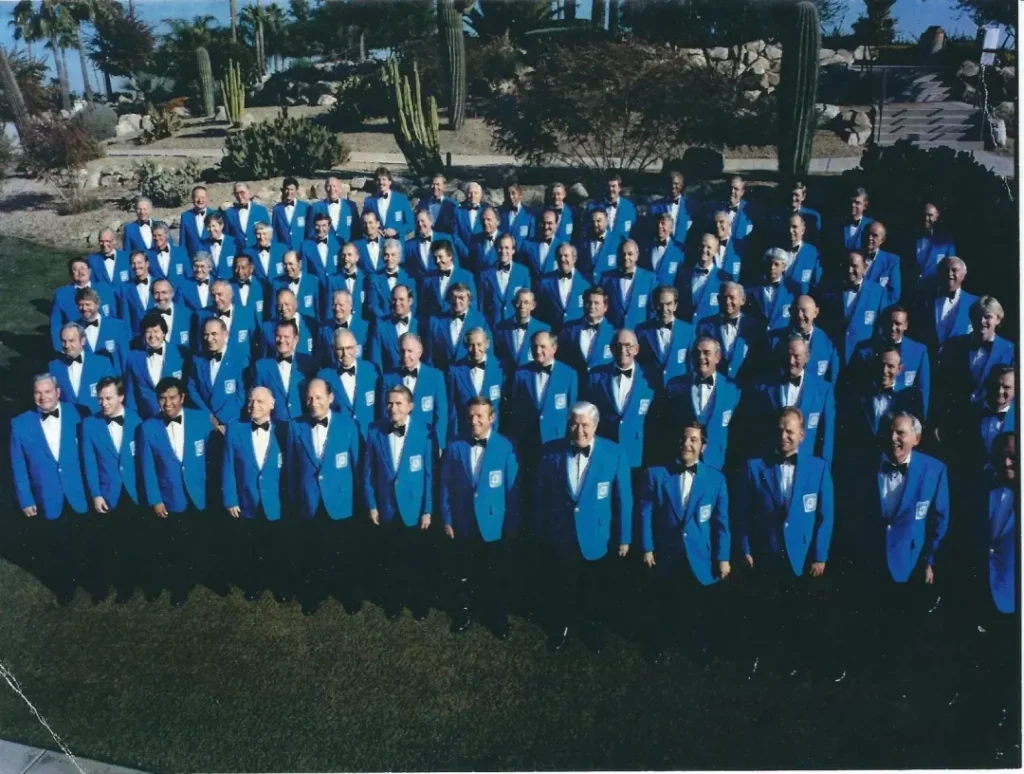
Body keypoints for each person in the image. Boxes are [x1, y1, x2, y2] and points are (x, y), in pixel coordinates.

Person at [847, 411, 949, 698]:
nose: (894, 438)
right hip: (872, 559)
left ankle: (902, 687)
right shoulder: (864, 467)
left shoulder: (934, 470)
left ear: (916, 438)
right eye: (890, 432)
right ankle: (870, 685)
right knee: (872, 622)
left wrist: (930, 559)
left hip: (911, 561)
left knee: (905, 626)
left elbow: (940, 519)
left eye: (901, 433)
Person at [735, 407, 837, 680]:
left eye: (790, 431)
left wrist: (820, 555)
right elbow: (743, 512)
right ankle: (757, 656)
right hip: (765, 550)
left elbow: (825, 516)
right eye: (780, 430)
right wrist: (745, 548)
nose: (784, 436)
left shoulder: (818, 468)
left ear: (802, 435)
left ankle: (792, 658)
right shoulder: (754, 466)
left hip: (801, 553)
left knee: (798, 609)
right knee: (763, 607)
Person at [535, 401, 631, 652]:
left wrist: (624, 537)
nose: (579, 430)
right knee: (562, 585)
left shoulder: (614, 453)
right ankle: (562, 627)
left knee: (594, 589)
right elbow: (541, 495)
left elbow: (624, 500)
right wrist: (542, 529)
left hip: (597, 535)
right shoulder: (550, 452)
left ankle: (593, 629)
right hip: (562, 533)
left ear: (596, 425)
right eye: (574, 424)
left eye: (585, 425)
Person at [639, 422, 730, 664]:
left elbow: (722, 523)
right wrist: (648, 548)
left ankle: (697, 645)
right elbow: (646, 514)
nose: (687, 444)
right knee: (664, 600)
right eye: (684, 438)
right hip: (667, 552)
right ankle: (659, 644)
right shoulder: (656, 474)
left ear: (703, 446)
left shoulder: (716, 479)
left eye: (694, 440)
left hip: (700, 553)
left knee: (698, 604)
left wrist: (723, 557)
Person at [440, 397, 520, 638]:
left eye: (480, 416)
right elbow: (445, 486)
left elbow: (512, 492)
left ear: (491, 418)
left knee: (496, 573)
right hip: (463, 522)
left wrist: (511, 526)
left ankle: (497, 617)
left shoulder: (507, 447)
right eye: (471, 416)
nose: (474, 421)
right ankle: (465, 614)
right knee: (464, 571)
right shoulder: (455, 446)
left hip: (494, 524)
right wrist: (447, 518)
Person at [286, 378, 363, 616]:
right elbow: (291, 467)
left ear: (330, 398)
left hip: (341, 501)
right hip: (310, 500)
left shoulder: (348, 425)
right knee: (314, 552)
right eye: (309, 398)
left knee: (345, 552)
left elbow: (357, 464)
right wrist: (295, 499)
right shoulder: (295, 426)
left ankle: (349, 595)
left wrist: (359, 502)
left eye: (319, 397)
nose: (313, 403)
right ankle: (314, 595)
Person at [10, 374, 89, 602]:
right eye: (38, 392)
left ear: (58, 392)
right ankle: (65, 587)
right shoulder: (19, 424)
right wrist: (26, 499)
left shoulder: (78, 414)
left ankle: (89, 580)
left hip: (78, 492)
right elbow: (18, 465)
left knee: (84, 537)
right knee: (56, 544)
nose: (43, 397)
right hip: (47, 495)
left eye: (47, 391)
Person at [363, 385, 436, 620]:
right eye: (390, 403)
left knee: (416, 558)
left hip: (414, 508)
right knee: (390, 557)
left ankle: (419, 601)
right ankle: (393, 601)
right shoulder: (374, 432)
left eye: (399, 403)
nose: (393, 408)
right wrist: (372, 505)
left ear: (410, 406)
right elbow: (368, 473)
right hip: (387, 507)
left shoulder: (425, 432)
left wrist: (427, 510)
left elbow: (429, 475)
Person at [138, 377, 212, 606]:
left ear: (182, 398)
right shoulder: (148, 428)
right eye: (162, 398)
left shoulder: (200, 419)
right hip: (171, 498)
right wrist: (155, 500)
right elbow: (147, 469)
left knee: (206, 539)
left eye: (172, 398)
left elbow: (215, 458)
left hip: (201, 494)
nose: (167, 403)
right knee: (177, 546)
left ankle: (211, 578)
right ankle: (181, 587)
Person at [221, 386, 289, 602]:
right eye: (251, 401)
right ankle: (255, 584)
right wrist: (230, 498)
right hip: (247, 500)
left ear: (272, 404)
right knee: (251, 547)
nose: (254, 405)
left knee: (278, 546)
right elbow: (228, 466)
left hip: (276, 501)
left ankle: (280, 585)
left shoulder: (285, 430)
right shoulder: (235, 429)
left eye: (260, 401)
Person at [81, 375, 142, 601]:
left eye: (108, 398)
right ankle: (112, 586)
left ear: (121, 397)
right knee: (110, 542)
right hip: (108, 493)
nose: (103, 403)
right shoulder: (90, 425)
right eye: (100, 399)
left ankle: (134, 583)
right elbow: (89, 462)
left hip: (135, 492)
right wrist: (96, 494)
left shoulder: (137, 420)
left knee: (134, 539)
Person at [744, 335, 835, 464]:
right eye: (788, 356)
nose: (791, 361)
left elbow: (826, 436)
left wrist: (823, 468)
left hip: (806, 467)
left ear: (807, 357)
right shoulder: (763, 387)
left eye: (797, 356)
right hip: (770, 466)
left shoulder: (822, 390)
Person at [657, 337, 741, 471]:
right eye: (697, 353)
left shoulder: (733, 389)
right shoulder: (675, 386)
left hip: (718, 462)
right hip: (682, 462)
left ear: (717, 357)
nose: (701, 357)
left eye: (707, 353)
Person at [583, 329, 655, 472]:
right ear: (610, 349)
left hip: (635, 451)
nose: (623, 350)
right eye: (618, 345)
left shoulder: (650, 378)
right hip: (605, 450)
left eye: (628, 346)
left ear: (636, 349)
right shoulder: (595, 376)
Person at [849, 305, 931, 423]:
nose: (893, 327)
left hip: (902, 418)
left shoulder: (919, 351)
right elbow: (856, 385)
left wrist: (921, 422)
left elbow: (923, 390)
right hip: (871, 417)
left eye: (898, 323)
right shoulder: (864, 350)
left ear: (905, 325)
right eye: (890, 323)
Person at [505, 330, 578, 461]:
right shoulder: (521, 374)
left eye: (543, 347)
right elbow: (515, 409)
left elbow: (571, 412)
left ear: (554, 348)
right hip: (528, 440)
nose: (538, 351)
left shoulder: (569, 374)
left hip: (556, 439)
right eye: (534, 347)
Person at [382, 333, 449, 451]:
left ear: (420, 352)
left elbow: (441, 414)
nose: (406, 355)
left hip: (425, 440)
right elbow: (384, 411)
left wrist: (438, 444)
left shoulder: (435, 377)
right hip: (397, 439)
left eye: (410, 351)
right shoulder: (389, 378)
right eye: (402, 351)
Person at [818, 251, 886, 366]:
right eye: (847, 265)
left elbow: (882, 328)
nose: (849, 270)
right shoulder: (831, 290)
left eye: (854, 266)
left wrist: (869, 352)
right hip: (834, 358)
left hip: (863, 361)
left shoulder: (878, 293)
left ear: (865, 268)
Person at [316, 327, 381, 440]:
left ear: (356, 347)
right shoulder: (324, 377)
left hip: (368, 437)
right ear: (332, 350)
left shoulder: (371, 370)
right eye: (340, 349)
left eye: (349, 348)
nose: (345, 353)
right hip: (340, 438)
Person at [187, 317, 249, 434]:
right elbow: (192, 389)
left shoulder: (240, 358)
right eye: (206, 335)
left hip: (231, 424)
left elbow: (242, 395)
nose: (209, 339)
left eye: (214, 334)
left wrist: (223, 420)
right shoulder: (198, 360)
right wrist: (209, 417)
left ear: (225, 334)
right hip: (206, 423)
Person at [696, 282, 763, 387]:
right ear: (718, 299)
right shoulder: (705, 326)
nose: (727, 301)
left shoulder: (755, 328)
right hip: (715, 389)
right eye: (724, 297)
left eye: (732, 297)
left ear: (743, 300)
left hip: (745, 388)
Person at [912, 256, 979, 354]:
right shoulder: (923, 300)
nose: (949, 274)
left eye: (954, 270)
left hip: (959, 361)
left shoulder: (974, 303)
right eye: (945, 270)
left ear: (963, 275)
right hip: (929, 359)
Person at [252, 319, 316, 422]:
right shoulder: (262, 366)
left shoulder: (307, 363)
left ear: (296, 339)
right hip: (274, 427)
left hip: (301, 424)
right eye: (278, 336)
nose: (281, 340)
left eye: (286, 337)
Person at [48, 322, 116, 418]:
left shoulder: (101, 363)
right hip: (70, 422)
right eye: (64, 341)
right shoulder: (54, 367)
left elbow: (113, 395)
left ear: (83, 340)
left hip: (97, 421)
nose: (67, 345)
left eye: (71, 341)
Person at [125, 313, 186, 419]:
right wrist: (132, 419)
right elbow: (131, 394)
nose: (152, 336)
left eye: (156, 331)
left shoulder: (180, 354)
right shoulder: (133, 358)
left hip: (177, 416)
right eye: (148, 332)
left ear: (164, 333)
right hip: (147, 419)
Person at [768, 295, 840, 383]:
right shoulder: (774, 340)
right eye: (796, 310)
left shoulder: (829, 344)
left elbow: (831, 382)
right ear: (790, 312)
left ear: (816, 312)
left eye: (804, 310)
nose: (800, 315)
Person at [447, 327, 504, 438]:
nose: (475, 349)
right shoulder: (455, 371)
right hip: (466, 431)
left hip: (493, 431)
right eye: (471, 345)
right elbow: (452, 407)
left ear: (487, 344)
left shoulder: (500, 368)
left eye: (479, 344)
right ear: (465, 346)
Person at [50, 257, 116, 352]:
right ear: (71, 274)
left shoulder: (104, 289)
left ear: (89, 271)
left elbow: (113, 315)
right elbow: (56, 324)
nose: (80, 272)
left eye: (83, 268)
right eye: (75, 270)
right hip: (75, 346)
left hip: (104, 341)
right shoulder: (62, 294)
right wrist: (60, 349)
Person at [557, 286, 616, 384]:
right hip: (576, 384)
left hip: (602, 385)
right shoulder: (569, 329)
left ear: (605, 307)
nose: (592, 306)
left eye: (596, 303)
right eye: (588, 302)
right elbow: (561, 357)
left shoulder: (613, 332)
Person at [425, 283, 489, 371]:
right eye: (453, 297)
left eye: (461, 298)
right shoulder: (436, 321)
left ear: (469, 300)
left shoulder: (479, 320)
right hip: (442, 376)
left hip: (467, 375)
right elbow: (430, 356)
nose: (457, 301)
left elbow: (487, 351)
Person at [196, 281, 259, 363]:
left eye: (219, 294)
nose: (216, 299)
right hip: (213, 364)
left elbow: (254, 341)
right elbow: (199, 345)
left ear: (231, 294)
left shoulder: (246, 313)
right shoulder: (202, 315)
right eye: (213, 295)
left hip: (242, 367)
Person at [534, 244, 592, 333]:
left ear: (574, 259)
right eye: (559, 256)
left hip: (575, 334)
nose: (562, 259)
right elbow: (538, 310)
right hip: (552, 334)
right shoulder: (544, 282)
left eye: (566, 256)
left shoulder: (585, 283)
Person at [599, 239, 656, 331]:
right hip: (614, 334)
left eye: (630, 254)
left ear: (637, 256)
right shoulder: (606, 279)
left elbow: (652, 310)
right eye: (623, 254)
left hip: (639, 334)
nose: (626, 257)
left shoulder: (649, 279)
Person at [73, 287, 130, 376]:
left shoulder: (116, 325)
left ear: (97, 305)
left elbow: (124, 356)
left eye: (88, 304)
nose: (84, 308)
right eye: (81, 305)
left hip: (113, 379)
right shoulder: (74, 328)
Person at [492, 289, 550, 376]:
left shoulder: (544, 329)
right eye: (519, 302)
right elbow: (497, 354)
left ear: (533, 305)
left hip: (531, 377)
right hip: (507, 377)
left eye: (526, 302)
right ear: (513, 304)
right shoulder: (501, 328)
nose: (522, 306)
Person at [481, 233, 532, 329]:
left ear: (513, 250)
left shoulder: (523, 272)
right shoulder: (485, 274)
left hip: (514, 326)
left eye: (507, 248)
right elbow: (482, 305)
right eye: (500, 247)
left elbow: (527, 302)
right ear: (496, 249)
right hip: (493, 328)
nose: (503, 251)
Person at [367, 284, 420, 374]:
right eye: (394, 300)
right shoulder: (381, 326)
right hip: (390, 382)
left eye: (401, 299)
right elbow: (375, 360)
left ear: (410, 301)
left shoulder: (420, 324)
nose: (397, 303)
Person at [419, 240, 477, 321]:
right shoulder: (428, 279)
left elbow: (473, 304)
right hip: (435, 326)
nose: (437, 261)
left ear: (450, 256)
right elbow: (423, 306)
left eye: (440, 257)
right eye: (435, 258)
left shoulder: (466, 276)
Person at [674, 233, 727, 323]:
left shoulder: (723, 277)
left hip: (710, 330)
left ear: (715, 250)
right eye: (702, 246)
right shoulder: (683, 273)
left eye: (709, 247)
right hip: (686, 327)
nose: (704, 250)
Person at [747, 248, 796, 333]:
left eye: (776, 264)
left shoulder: (791, 290)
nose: (772, 267)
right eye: (769, 263)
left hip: (781, 340)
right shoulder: (752, 288)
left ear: (784, 267)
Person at [366, 239, 415, 321]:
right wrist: (386, 322)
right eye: (386, 255)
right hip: (384, 324)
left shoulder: (409, 277)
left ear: (399, 256)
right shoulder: (374, 278)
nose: (389, 258)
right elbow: (373, 305)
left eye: (393, 255)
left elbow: (413, 304)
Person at [260, 288, 318, 358]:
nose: (283, 308)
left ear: (296, 304)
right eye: (280, 305)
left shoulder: (311, 324)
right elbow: (263, 358)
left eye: (287, 304)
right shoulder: (267, 328)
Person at [317, 288, 370, 365]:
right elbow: (319, 359)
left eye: (341, 305)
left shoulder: (365, 327)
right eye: (334, 305)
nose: (337, 309)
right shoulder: (323, 329)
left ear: (350, 306)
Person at [403, 209, 458, 282]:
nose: (420, 224)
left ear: (431, 222)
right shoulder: (409, 245)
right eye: (417, 222)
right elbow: (406, 269)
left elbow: (455, 262)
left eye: (422, 221)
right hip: (420, 287)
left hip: (442, 283)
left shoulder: (445, 238)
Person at [912, 201, 957, 290]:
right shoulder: (911, 237)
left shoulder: (946, 241)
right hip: (912, 289)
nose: (926, 218)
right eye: (924, 215)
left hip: (934, 290)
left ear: (937, 216)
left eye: (930, 215)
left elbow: (951, 266)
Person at [363, 166, 415, 240]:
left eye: (384, 179)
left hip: (397, 243)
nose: (381, 182)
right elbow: (363, 223)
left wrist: (396, 231)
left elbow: (411, 224)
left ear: (390, 182)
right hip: (378, 242)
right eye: (378, 180)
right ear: (375, 182)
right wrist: (375, 230)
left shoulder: (401, 199)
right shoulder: (369, 201)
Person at [243, 222, 290, 301]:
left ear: (271, 235)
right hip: (258, 294)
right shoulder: (248, 252)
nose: (261, 237)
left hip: (279, 293)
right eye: (258, 234)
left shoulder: (282, 249)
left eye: (264, 234)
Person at [645, 170, 693, 246]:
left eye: (676, 183)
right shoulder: (654, 207)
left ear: (681, 185)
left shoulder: (690, 207)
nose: (673, 186)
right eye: (670, 183)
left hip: (684, 251)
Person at [270, 250, 320, 322]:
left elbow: (317, 310)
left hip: (306, 328)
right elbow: (273, 312)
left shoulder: (313, 282)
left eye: (290, 264)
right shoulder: (277, 283)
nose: (287, 267)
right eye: (285, 264)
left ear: (299, 264)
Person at [306, 176, 360, 243]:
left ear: (340, 188)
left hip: (347, 248)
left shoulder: (351, 206)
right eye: (329, 186)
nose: (332, 189)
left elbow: (357, 231)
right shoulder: (316, 207)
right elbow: (311, 232)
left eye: (334, 186)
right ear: (325, 188)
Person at [779, 214, 822, 296]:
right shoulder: (776, 251)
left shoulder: (812, 253)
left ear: (803, 230)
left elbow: (816, 283)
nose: (790, 230)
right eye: (788, 227)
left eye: (794, 227)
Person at [639, 212, 685, 288]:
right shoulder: (646, 247)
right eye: (658, 223)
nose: (659, 226)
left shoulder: (679, 250)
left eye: (663, 223)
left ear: (670, 228)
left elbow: (682, 277)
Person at [518, 208, 563, 283]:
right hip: (532, 291)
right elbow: (521, 270)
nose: (546, 227)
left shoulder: (562, 246)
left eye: (550, 223)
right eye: (543, 223)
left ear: (556, 225)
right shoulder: (527, 245)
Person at [587, 173, 637, 240]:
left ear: (619, 188)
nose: (610, 189)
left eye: (613, 186)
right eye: (608, 186)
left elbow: (635, 232)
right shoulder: (592, 207)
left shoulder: (630, 207)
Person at [150, 278, 194, 355]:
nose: (160, 297)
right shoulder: (147, 316)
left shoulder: (187, 314)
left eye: (164, 292)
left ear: (172, 293)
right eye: (156, 293)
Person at [577, 208, 621, 283]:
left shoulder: (617, 241)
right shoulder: (582, 242)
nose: (595, 224)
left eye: (598, 221)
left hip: (608, 287)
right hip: (588, 287)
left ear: (606, 221)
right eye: (592, 221)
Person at [862, 221, 901, 304]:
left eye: (874, 235)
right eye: (868, 234)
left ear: (882, 240)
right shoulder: (855, 257)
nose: (870, 238)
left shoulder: (892, 261)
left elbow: (893, 295)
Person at [300, 212, 342, 291]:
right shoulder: (306, 246)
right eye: (317, 225)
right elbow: (304, 270)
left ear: (329, 226)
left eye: (324, 226)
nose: (320, 229)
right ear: (313, 226)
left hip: (335, 288)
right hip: (316, 288)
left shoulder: (338, 243)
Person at [224, 182, 270, 246]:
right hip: (238, 253)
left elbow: (269, 233)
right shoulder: (229, 213)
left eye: (242, 192)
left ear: (249, 192)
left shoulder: (261, 210)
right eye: (236, 194)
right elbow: (227, 236)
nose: (239, 196)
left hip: (256, 251)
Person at [271, 176, 310, 249]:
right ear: (283, 190)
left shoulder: (305, 207)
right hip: (283, 251)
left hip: (300, 250)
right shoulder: (277, 209)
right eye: (287, 189)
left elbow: (309, 231)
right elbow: (275, 234)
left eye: (292, 189)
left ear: (296, 190)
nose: (289, 192)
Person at [199, 212, 239, 280]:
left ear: (221, 226)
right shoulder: (203, 245)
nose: (211, 229)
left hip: (230, 285)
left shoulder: (234, 242)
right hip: (211, 286)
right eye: (208, 226)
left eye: (214, 226)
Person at [710, 209, 746, 282]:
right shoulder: (707, 246)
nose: (717, 226)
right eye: (715, 222)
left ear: (729, 224)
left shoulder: (739, 247)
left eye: (721, 222)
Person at [466, 206, 502, 277]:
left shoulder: (504, 239)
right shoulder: (475, 239)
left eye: (489, 219)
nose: (485, 222)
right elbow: (471, 265)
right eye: (483, 220)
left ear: (497, 222)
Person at [497, 182, 535, 248]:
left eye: (513, 193)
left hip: (522, 255)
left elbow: (531, 240)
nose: (511, 197)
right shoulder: (499, 212)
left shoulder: (530, 215)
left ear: (520, 195)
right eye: (508, 194)